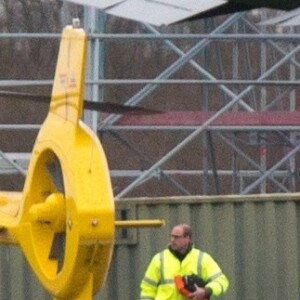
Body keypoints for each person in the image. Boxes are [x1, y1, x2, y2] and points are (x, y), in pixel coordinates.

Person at [140, 223, 229, 300]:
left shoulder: (202, 259)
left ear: (187, 238)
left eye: (176, 237)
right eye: (171, 236)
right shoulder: (159, 259)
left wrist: (205, 291)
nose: (172, 240)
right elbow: (147, 289)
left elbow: (221, 281)